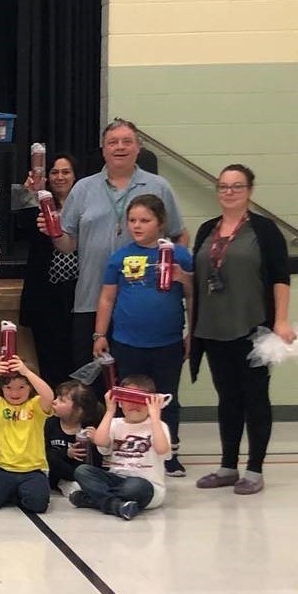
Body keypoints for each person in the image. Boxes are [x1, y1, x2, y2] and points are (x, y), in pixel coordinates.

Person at [42, 119, 186, 373]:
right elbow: (67, 245)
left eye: (126, 141)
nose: (120, 147)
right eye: (112, 142)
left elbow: (179, 235)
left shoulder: (158, 186)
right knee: (92, 383)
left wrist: (170, 273)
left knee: (139, 382)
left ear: (138, 147)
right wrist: (52, 232)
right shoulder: (83, 188)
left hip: (141, 302)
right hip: (91, 300)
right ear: (103, 149)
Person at [190, 164, 295, 495]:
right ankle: (227, 465)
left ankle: (254, 469)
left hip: (252, 328)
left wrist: (280, 320)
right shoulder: (207, 229)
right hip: (212, 329)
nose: (229, 192)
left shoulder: (265, 231)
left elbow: (280, 277)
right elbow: (199, 276)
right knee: (227, 399)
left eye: (236, 186)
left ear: (249, 190)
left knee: (255, 398)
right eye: (223, 186)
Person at [92, 194, 192, 477]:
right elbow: (107, 298)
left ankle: (169, 454)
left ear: (160, 223)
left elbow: (193, 296)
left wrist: (191, 333)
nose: (137, 225)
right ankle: (126, 451)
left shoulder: (179, 254)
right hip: (128, 341)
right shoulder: (120, 257)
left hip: (168, 341)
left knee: (166, 397)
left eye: (145, 220)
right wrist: (100, 334)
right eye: (132, 220)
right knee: (129, 398)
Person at [17, 154, 80, 388]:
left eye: (66, 172)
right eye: (55, 172)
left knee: (79, 357)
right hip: (46, 296)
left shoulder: (85, 204)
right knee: (50, 359)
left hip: (79, 292)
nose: (60, 177)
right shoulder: (40, 204)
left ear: (75, 176)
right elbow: (21, 227)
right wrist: (28, 195)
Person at [70, 377, 170, 520]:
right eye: (129, 398)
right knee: (83, 471)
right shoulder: (115, 424)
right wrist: (110, 411)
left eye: (141, 399)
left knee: (134, 487)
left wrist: (155, 416)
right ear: (120, 402)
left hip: (146, 486)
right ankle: (116, 506)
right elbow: (99, 440)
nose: (134, 404)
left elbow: (162, 450)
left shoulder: (158, 425)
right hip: (117, 479)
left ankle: (92, 499)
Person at [0, 356, 54, 513]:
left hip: (33, 470)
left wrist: (27, 372)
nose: (14, 392)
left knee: (38, 505)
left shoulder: (36, 404)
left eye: (21, 387)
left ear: (30, 387)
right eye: (8, 388)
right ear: (2, 388)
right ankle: (0, 490)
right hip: (2, 468)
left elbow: (49, 396)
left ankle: (13, 493)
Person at [46, 381, 99, 496]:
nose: (54, 402)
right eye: (57, 398)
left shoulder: (90, 428)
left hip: (83, 474)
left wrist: (98, 441)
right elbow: (44, 454)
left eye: (61, 400)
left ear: (78, 410)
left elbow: (97, 462)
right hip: (57, 475)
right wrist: (66, 453)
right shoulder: (49, 424)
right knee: (49, 457)